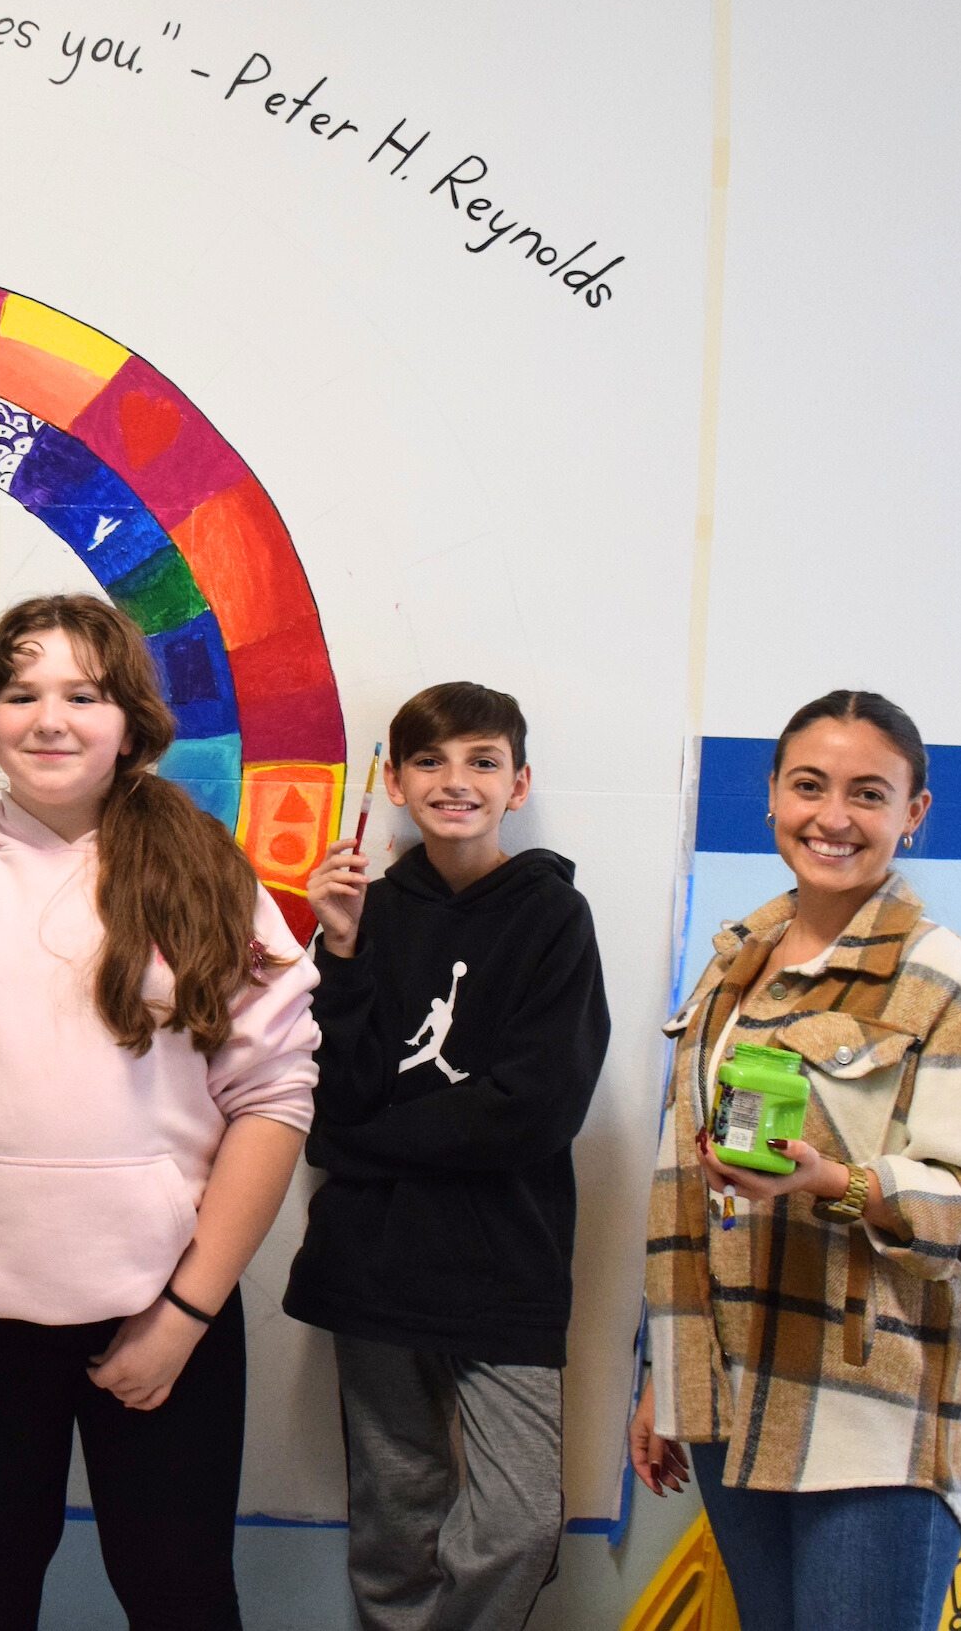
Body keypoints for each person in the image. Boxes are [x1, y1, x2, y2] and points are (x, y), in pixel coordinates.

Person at [0, 594, 319, 1631]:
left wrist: (182, 1314)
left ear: (128, 715)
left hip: (167, 1302)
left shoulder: (208, 871)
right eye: (19, 691)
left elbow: (273, 1101)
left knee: (176, 1585)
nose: (50, 718)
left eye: (82, 693)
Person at [630, 690, 961, 1631]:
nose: (833, 817)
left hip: (870, 1415)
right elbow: (686, 1190)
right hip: (733, 1395)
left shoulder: (951, 982)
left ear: (912, 813)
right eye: (809, 785)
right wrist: (666, 1372)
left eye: (868, 793)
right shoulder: (732, 964)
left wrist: (832, 1181)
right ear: (771, 793)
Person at [285, 682, 610, 1631]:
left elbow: (535, 1112)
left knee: (518, 1525)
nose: (454, 780)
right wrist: (338, 953)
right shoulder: (367, 913)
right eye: (429, 760)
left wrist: (365, 1142)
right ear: (393, 779)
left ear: (519, 783)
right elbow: (329, 1102)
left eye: (482, 760)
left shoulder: (554, 916)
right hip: (373, 1262)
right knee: (397, 1517)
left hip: (509, 1262)